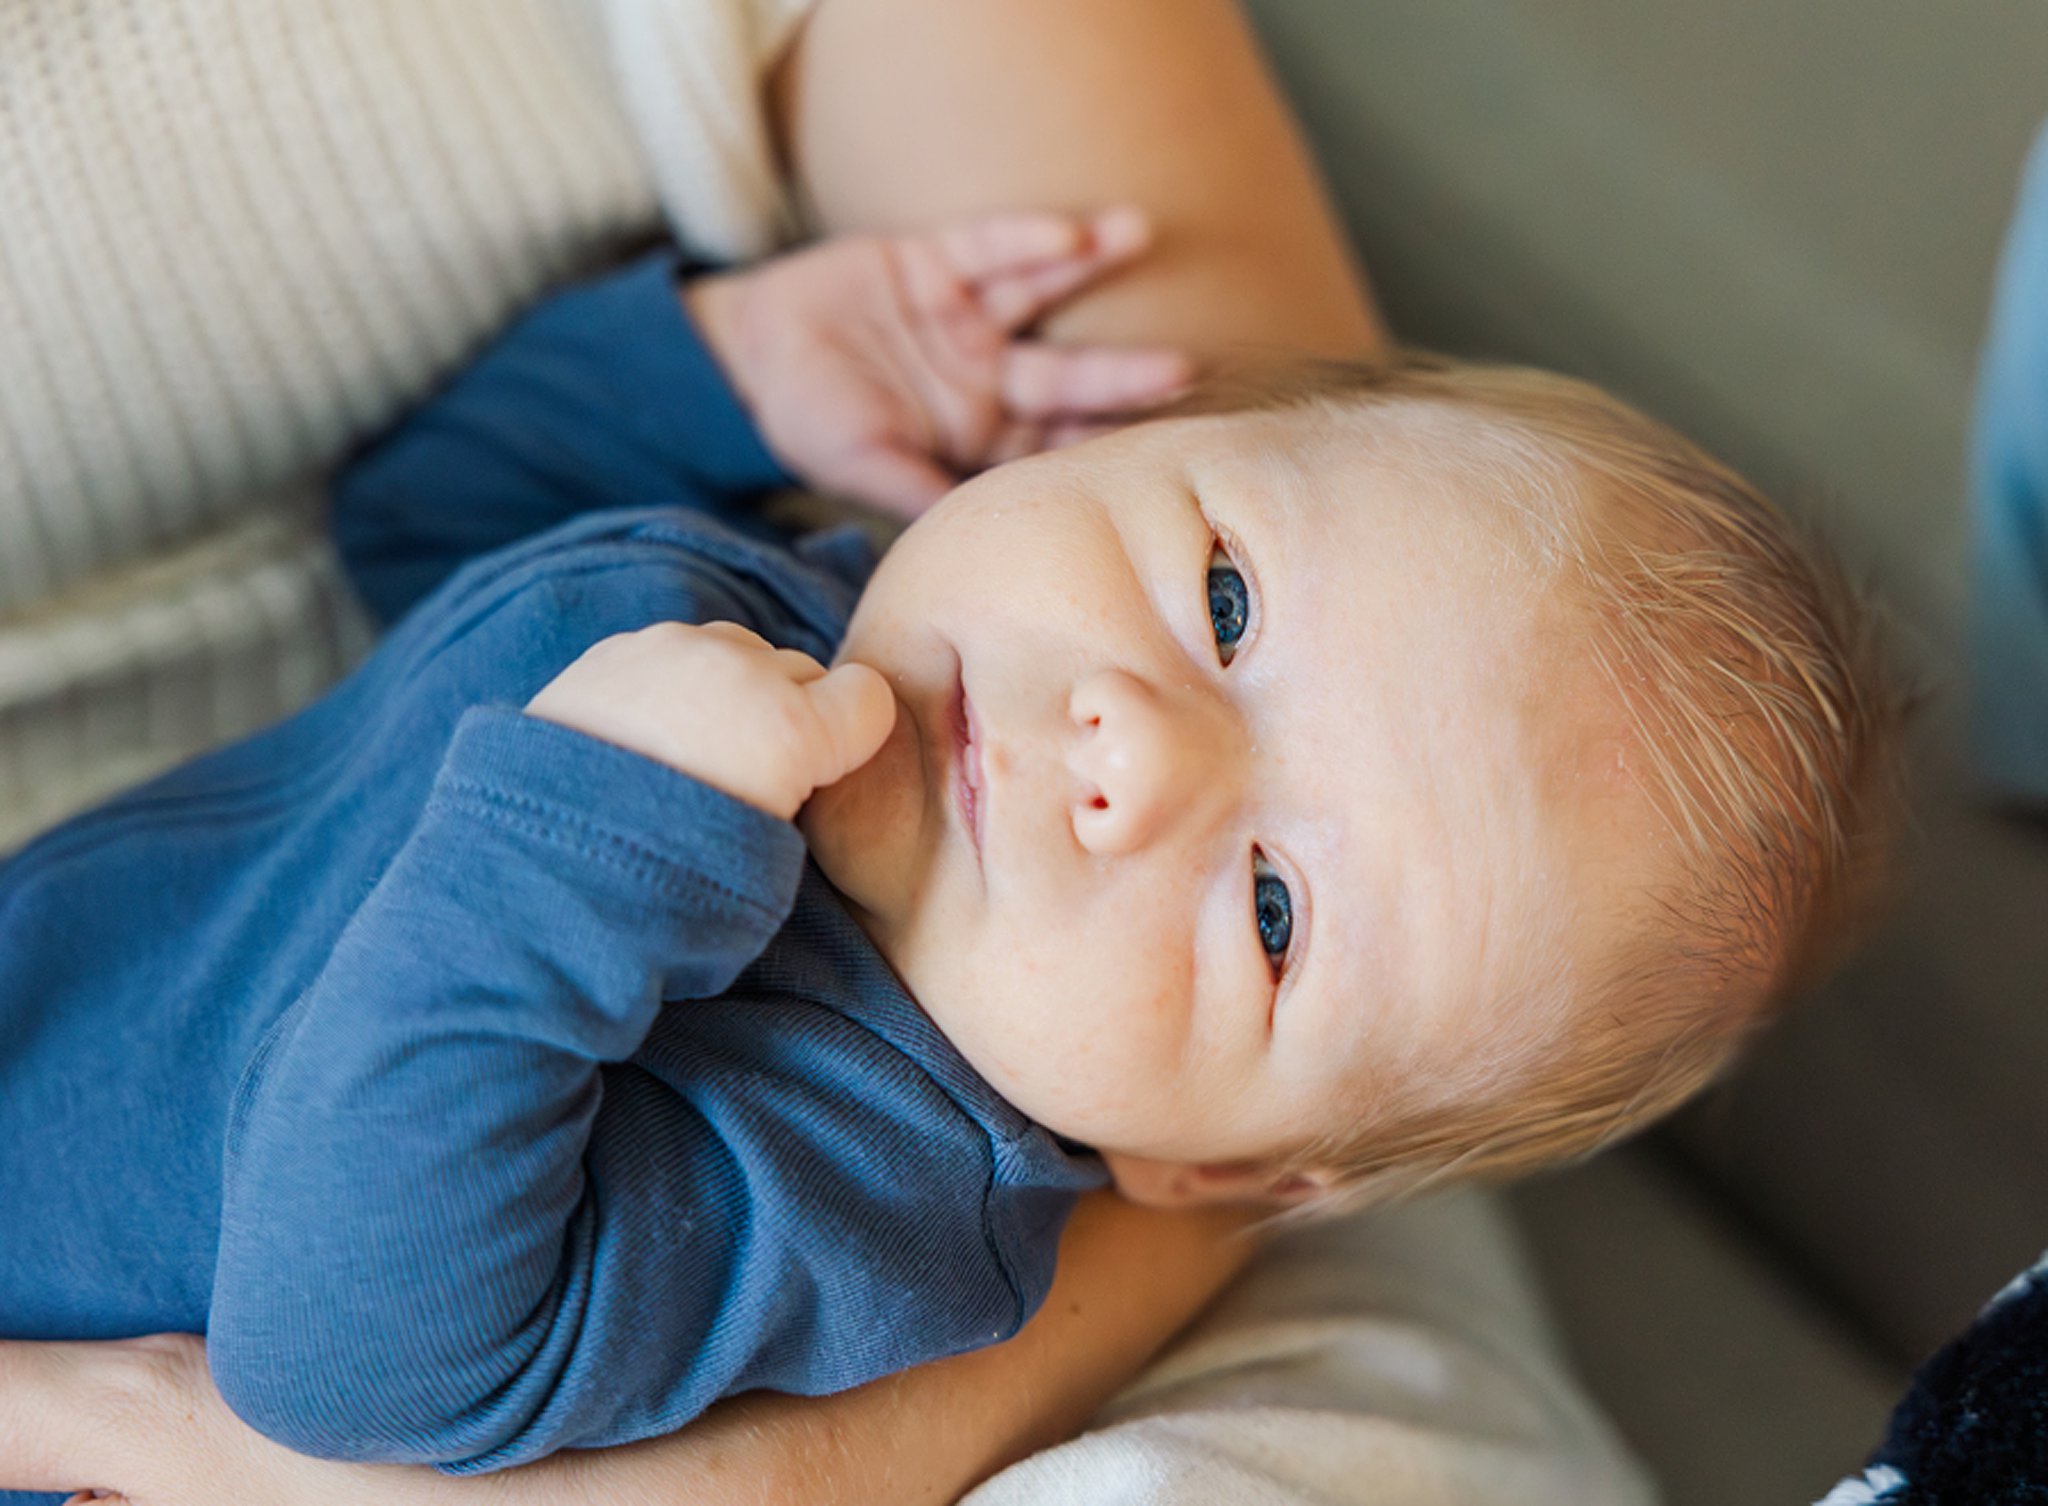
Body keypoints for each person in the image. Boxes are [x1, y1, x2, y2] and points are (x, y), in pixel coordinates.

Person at [1, 179, 1904, 1498]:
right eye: (1226, 604)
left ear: (1208, 1168)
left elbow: (345, 1366)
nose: (1133, 746)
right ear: (1130, 435)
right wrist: (720, 369)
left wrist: (576, 852)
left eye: (1269, 907)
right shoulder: (822, 589)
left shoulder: (854, 1181)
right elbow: (426, 552)